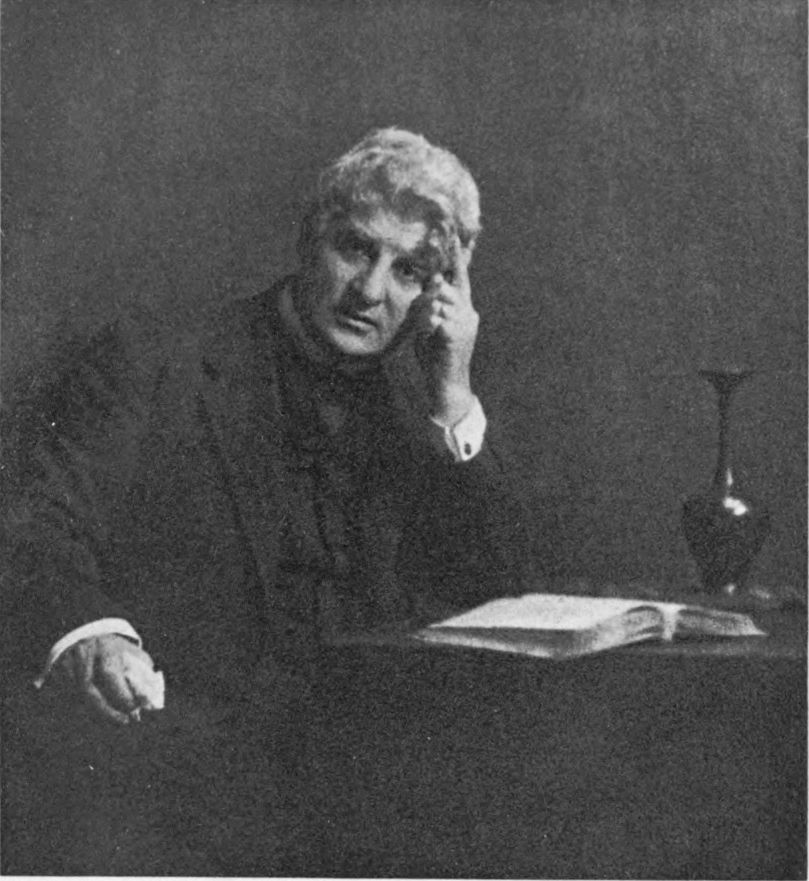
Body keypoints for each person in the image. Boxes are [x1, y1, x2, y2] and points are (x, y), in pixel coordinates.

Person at [1, 127, 532, 874]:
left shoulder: (426, 408)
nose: (370, 290)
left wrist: (453, 398)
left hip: (367, 800)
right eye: (355, 249)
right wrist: (93, 634)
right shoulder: (160, 358)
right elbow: (37, 524)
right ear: (309, 237)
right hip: (173, 790)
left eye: (409, 270)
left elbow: (497, 595)